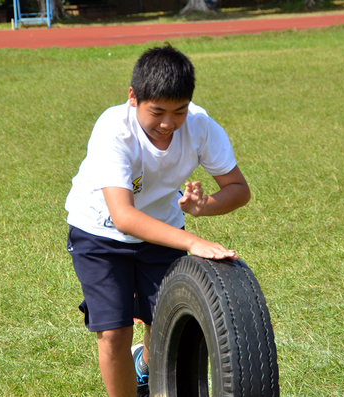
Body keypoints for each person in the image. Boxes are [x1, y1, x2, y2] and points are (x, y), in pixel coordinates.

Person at [65, 44, 250, 397]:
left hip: (161, 229)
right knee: (115, 331)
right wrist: (193, 241)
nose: (168, 123)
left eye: (179, 111)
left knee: (164, 320)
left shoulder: (199, 125)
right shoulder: (113, 131)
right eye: (158, 111)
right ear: (133, 97)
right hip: (99, 233)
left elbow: (239, 189)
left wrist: (204, 205)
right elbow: (123, 217)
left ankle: (146, 369)